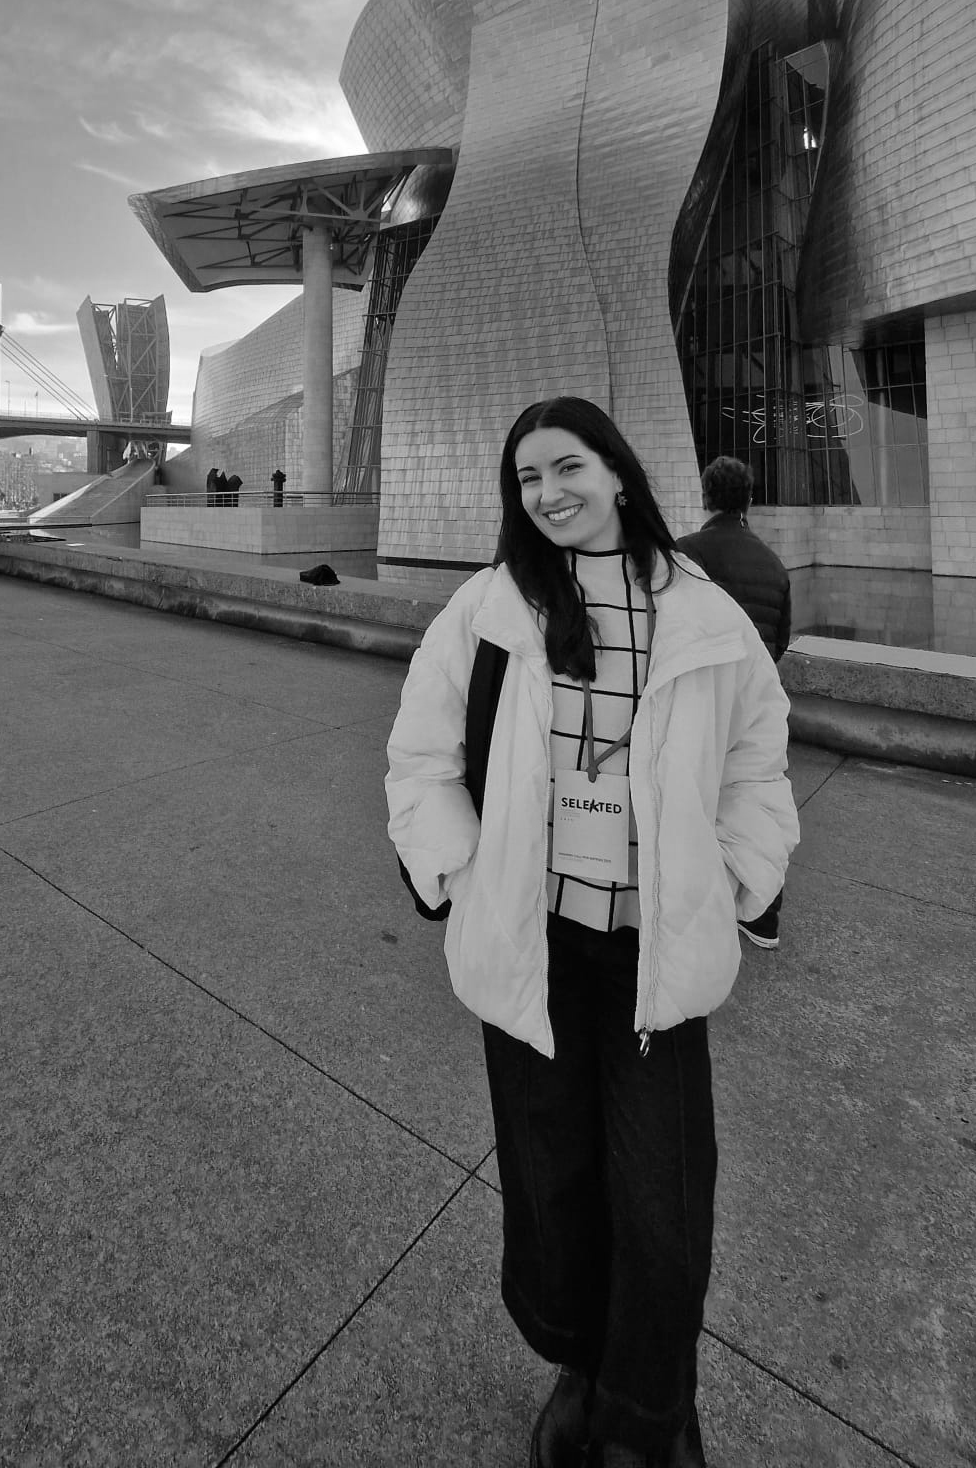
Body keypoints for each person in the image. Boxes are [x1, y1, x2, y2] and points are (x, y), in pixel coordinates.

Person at [386, 397, 798, 1468]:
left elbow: (757, 761)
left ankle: (648, 1414)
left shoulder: (702, 612)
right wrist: (457, 877)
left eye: (565, 466)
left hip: (649, 952)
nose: (547, 492)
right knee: (551, 1181)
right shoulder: (488, 609)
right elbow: (421, 757)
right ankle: (580, 1368)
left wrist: (740, 878)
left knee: (663, 1200)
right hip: (536, 942)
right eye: (526, 478)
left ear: (617, 472)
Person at [674, 456, 793, 950]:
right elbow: (779, 641)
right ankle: (762, 914)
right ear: (748, 500)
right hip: (754, 705)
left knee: (693, 800)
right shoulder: (772, 564)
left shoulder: (684, 553)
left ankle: (696, 904)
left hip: (698, 698)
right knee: (756, 798)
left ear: (706, 498)